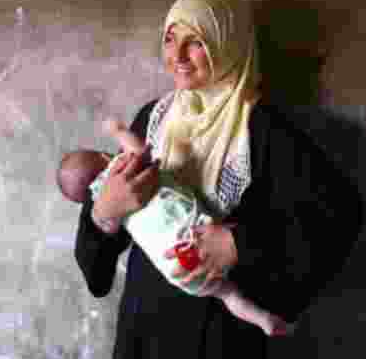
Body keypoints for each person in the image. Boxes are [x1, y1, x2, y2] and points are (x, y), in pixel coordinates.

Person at [71, 0, 364, 359]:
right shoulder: (151, 119)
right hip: (144, 341)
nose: (179, 55)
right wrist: (104, 212)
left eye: (197, 42)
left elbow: (337, 215)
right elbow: (97, 262)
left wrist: (239, 243)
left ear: (227, 45)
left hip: (217, 350)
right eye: (171, 38)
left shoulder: (261, 129)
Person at [58, 119, 292, 337]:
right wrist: (118, 132)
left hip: (177, 269)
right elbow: (96, 278)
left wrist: (104, 217)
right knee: (233, 260)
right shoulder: (120, 166)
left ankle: (262, 319)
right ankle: (264, 315)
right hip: (196, 232)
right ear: (103, 155)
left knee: (228, 294)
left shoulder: (99, 195)